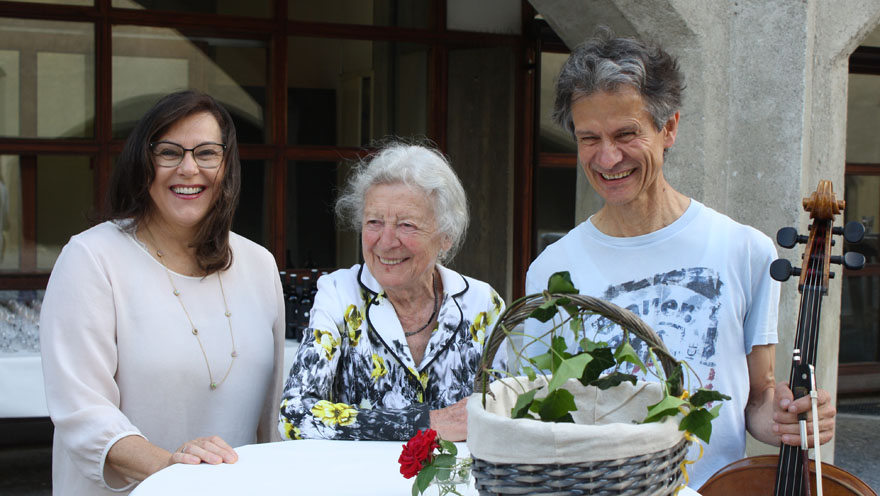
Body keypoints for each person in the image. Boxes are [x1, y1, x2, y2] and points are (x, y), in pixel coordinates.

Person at [524, 32, 836, 488]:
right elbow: (536, 413)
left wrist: (787, 417)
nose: (607, 157)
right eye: (589, 138)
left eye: (626, 134)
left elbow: (756, 397)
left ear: (668, 128)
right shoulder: (551, 270)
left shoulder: (744, 251)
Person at [39, 90, 285, 495]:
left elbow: (271, 420)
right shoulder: (91, 258)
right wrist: (172, 469)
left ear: (227, 166)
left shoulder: (259, 265)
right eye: (169, 152)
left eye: (207, 153)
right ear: (143, 162)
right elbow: (82, 411)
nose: (189, 168)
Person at [278, 142, 505, 442]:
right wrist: (424, 423)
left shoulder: (482, 304)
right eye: (374, 222)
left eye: (406, 225)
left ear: (446, 236)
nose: (386, 242)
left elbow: (505, 412)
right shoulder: (340, 294)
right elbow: (294, 415)